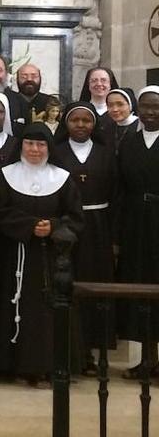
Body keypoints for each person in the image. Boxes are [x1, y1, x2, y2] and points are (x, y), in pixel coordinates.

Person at [0, 123, 83, 387]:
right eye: (29, 144)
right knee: (17, 307)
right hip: (14, 256)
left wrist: (53, 227)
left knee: (50, 311)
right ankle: (16, 366)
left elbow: (76, 218)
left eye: (41, 144)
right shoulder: (4, 175)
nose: (34, 149)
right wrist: (28, 226)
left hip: (53, 259)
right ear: (21, 145)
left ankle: (52, 367)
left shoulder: (62, 178)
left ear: (49, 148)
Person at [52, 102, 116, 376]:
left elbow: (117, 193)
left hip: (98, 227)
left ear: (94, 125)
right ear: (66, 124)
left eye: (86, 121)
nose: (80, 125)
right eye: (74, 120)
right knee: (65, 287)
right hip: (66, 227)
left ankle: (91, 351)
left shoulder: (107, 154)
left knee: (94, 288)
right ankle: (64, 351)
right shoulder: (56, 152)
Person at [116, 86, 159, 378]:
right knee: (139, 286)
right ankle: (146, 358)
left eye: (156, 107)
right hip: (135, 223)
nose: (151, 112)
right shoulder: (129, 142)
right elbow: (120, 187)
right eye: (145, 107)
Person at [105, 88, 139, 153]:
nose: (115, 109)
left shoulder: (140, 127)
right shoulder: (108, 128)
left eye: (120, 104)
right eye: (110, 105)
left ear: (130, 105)